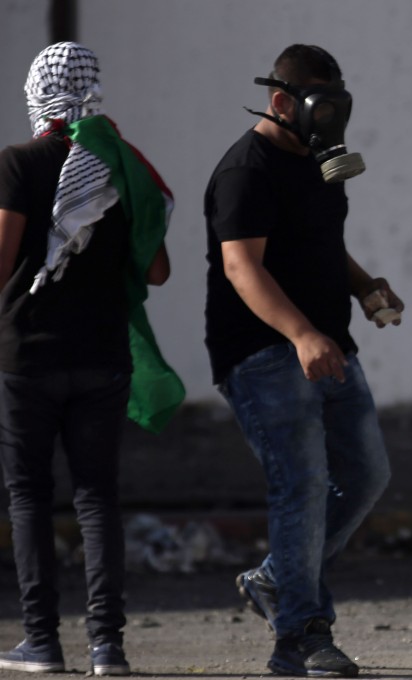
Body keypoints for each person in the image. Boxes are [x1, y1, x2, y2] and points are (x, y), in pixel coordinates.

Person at [204, 44, 400, 678]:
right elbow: (242, 267)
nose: (331, 123)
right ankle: (300, 637)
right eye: (320, 107)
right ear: (283, 101)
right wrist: (299, 334)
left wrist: (366, 285)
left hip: (328, 343)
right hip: (264, 352)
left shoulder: (320, 163)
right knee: (304, 486)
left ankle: (274, 580)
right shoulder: (245, 171)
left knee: (367, 475)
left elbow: (323, 243)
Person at [0, 42, 177, 676]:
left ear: (35, 92)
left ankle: (42, 643)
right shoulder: (123, 165)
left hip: (28, 357)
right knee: (97, 498)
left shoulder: (19, 163)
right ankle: (108, 647)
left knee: (28, 496)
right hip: (104, 356)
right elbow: (156, 269)